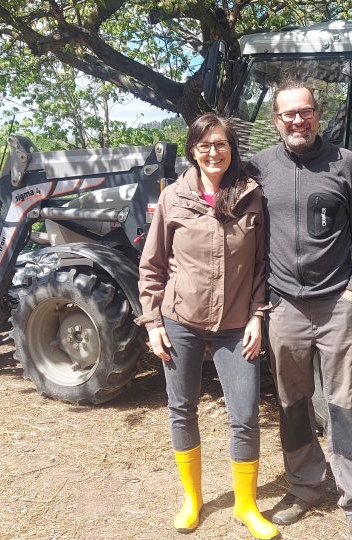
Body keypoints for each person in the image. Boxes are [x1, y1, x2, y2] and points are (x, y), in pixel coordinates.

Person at [248, 80, 352, 540]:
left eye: (305, 112)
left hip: (336, 305)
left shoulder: (346, 164)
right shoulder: (260, 167)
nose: (297, 121)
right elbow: (217, 191)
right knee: (292, 404)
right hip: (284, 307)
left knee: (345, 406)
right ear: (276, 121)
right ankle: (305, 485)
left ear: (317, 114)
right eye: (288, 115)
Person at [136, 113, 278, 540]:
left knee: (246, 414)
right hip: (180, 321)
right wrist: (152, 323)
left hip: (237, 326)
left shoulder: (252, 197)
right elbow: (152, 265)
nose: (213, 152)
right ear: (192, 150)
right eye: (204, 145)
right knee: (182, 408)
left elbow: (261, 266)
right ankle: (193, 499)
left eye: (220, 144)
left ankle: (246, 505)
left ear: (232, 149)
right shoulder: (173, 199)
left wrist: (257, 316)